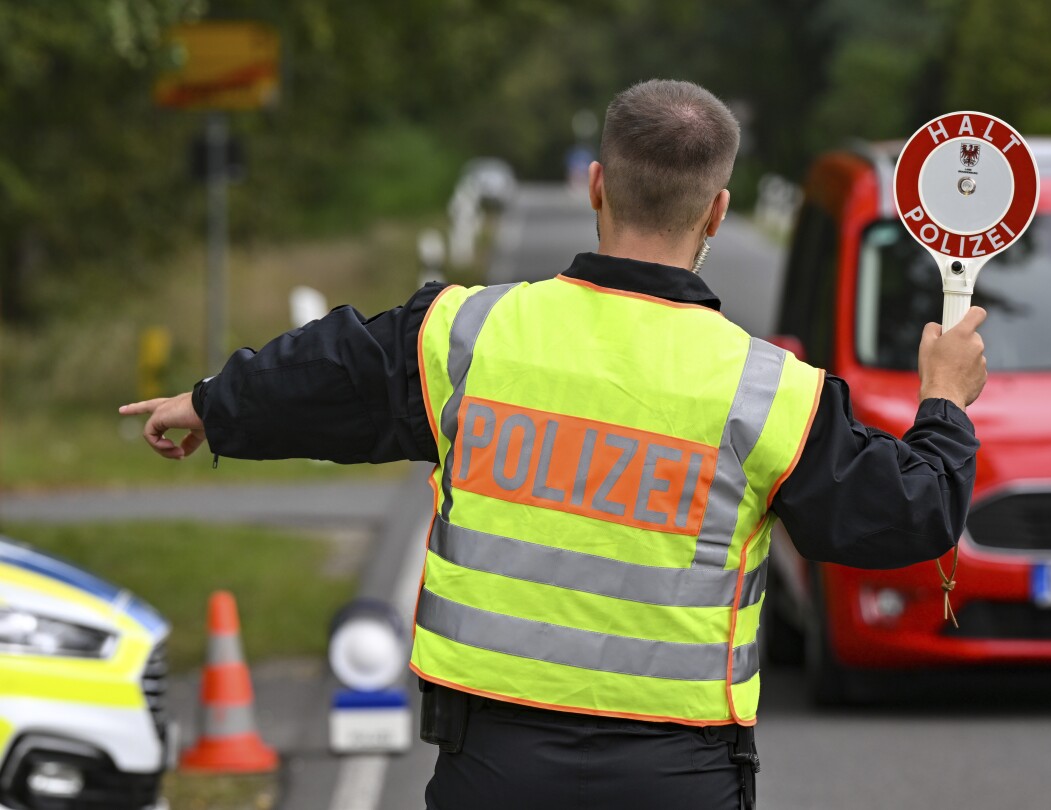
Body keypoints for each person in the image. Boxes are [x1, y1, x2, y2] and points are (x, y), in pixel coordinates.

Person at [120, 79, 988, 810]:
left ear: (598, 185)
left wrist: (210, 406)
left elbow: (333, 368)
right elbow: (908, 515)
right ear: (719, 210)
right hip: (677, 775)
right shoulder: (770, 393)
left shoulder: (469, 333)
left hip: (493, 763)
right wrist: (943, 398)